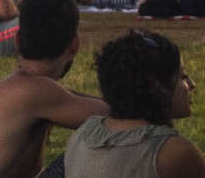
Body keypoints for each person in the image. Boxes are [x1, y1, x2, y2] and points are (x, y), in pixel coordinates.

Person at [0, 0, 105, 178]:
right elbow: (117, 116)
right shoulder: (37, 92)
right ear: (74, 45)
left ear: (17, 40)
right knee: (91, 152)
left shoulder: (25, 88)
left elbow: (78, 100)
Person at [64, 30, 205, 178]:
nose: (192, 84)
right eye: (183, 77)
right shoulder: (175, 151)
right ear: (157, 85)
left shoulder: (83, 134)